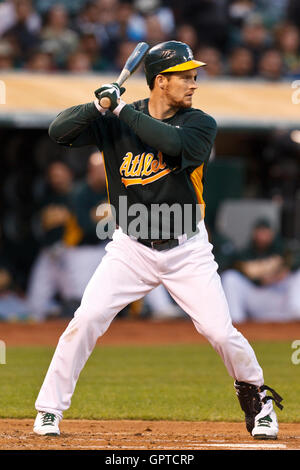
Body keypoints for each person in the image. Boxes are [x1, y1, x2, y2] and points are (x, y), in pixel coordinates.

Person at [33, 40, 283, 439]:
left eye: (194, 75)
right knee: (86, 319)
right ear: (160, 81)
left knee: (220, 332)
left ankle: (257, 400)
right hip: (130, 248)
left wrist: (120, 112)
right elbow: (58, 131)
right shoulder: (117, 117)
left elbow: (173, 144)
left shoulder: (200, 123)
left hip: (186, 249)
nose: (194, 83)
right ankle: (49, 410)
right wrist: (96, 106)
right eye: (185, 76)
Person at [221, 218, 300, 323]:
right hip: (257, 297)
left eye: (265, 232)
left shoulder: (282, 248)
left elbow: (295, 262)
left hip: (280, 296)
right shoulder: (246, 253)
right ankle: (236, 322)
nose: (262, 236)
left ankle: (295, 317)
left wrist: (283, 271)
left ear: (272, 233)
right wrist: (260, 280)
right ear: (254, 233)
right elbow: (233, 266)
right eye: (260, 232)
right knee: (230, 277)